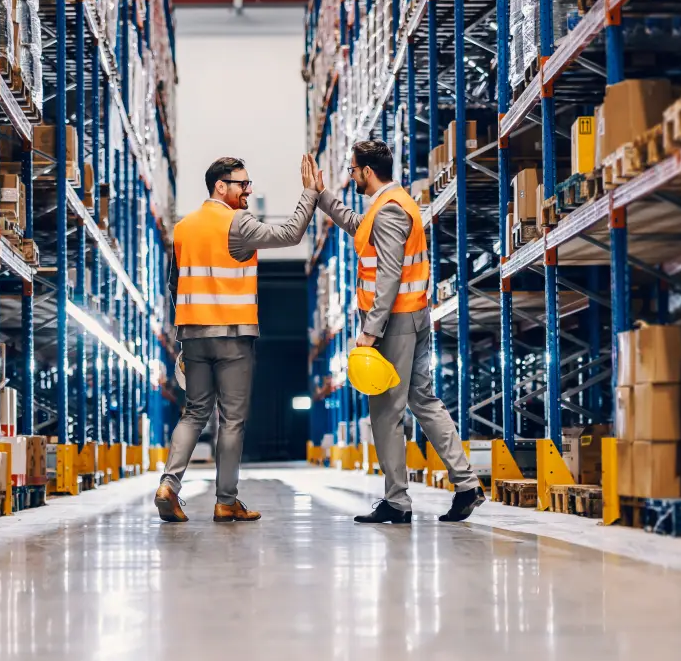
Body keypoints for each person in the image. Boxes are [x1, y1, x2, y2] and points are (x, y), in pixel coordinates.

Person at [308, 140, 485, 524]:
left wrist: (371, 330)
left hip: (394, 324)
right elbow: (359, 227)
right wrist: (321, 197)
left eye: (353, 170)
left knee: (386, 411)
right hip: (413, 317)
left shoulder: (389, 212)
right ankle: (468, 484)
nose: (352, 176)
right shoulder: (394, 203)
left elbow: (388, 274)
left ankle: (397, 502)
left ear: (367, 172)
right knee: (423, 399)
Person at [154, 155, 322, 524]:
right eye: (242, 183)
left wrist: (186, 332)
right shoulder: (238, 222)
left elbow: (173, 285)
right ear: (221, 186)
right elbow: (291, 234)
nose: (249, 189)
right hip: (232, 336)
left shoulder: (183, 228)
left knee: (194, 412)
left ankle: (169, 485)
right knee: (231, 420)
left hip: (193, 335)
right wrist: (309, 193)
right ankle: (226, 501)